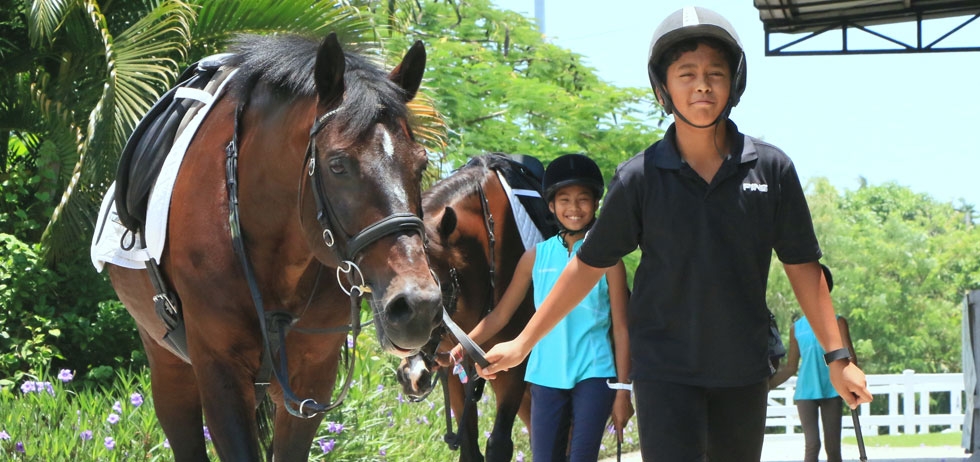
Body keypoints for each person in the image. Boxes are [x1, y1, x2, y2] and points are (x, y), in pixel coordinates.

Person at [475, 6, 873, 461]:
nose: (702, 84)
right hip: (664, 373)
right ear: (663, 88)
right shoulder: (638, 178)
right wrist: (523, 342)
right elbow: (587, 267)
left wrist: (837, 357)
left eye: (714, 73)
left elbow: (803, 266)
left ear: (734, 84)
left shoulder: (772, 169)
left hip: (743, 370)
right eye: (686, 73)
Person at [450, 153, 633, 461]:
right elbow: (501, 315)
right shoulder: (534, 257)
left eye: (583, 199)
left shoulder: (610, 261)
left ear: (596, 204)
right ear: (550, 205)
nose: (574, 208)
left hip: (595, 374)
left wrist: (623, 390)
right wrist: (465, 344)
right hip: (545, 376)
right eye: (564, 200)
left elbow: (622, 328)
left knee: (581, 456)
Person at [770, 264, 858, 462]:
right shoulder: (797, 328)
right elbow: (791, 366)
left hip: (833, 390)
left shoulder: (838, 322)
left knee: (833, 448)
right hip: (806, 393)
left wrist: (853, 384)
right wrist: (767, 385)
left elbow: (850, 358)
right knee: (812, 445)